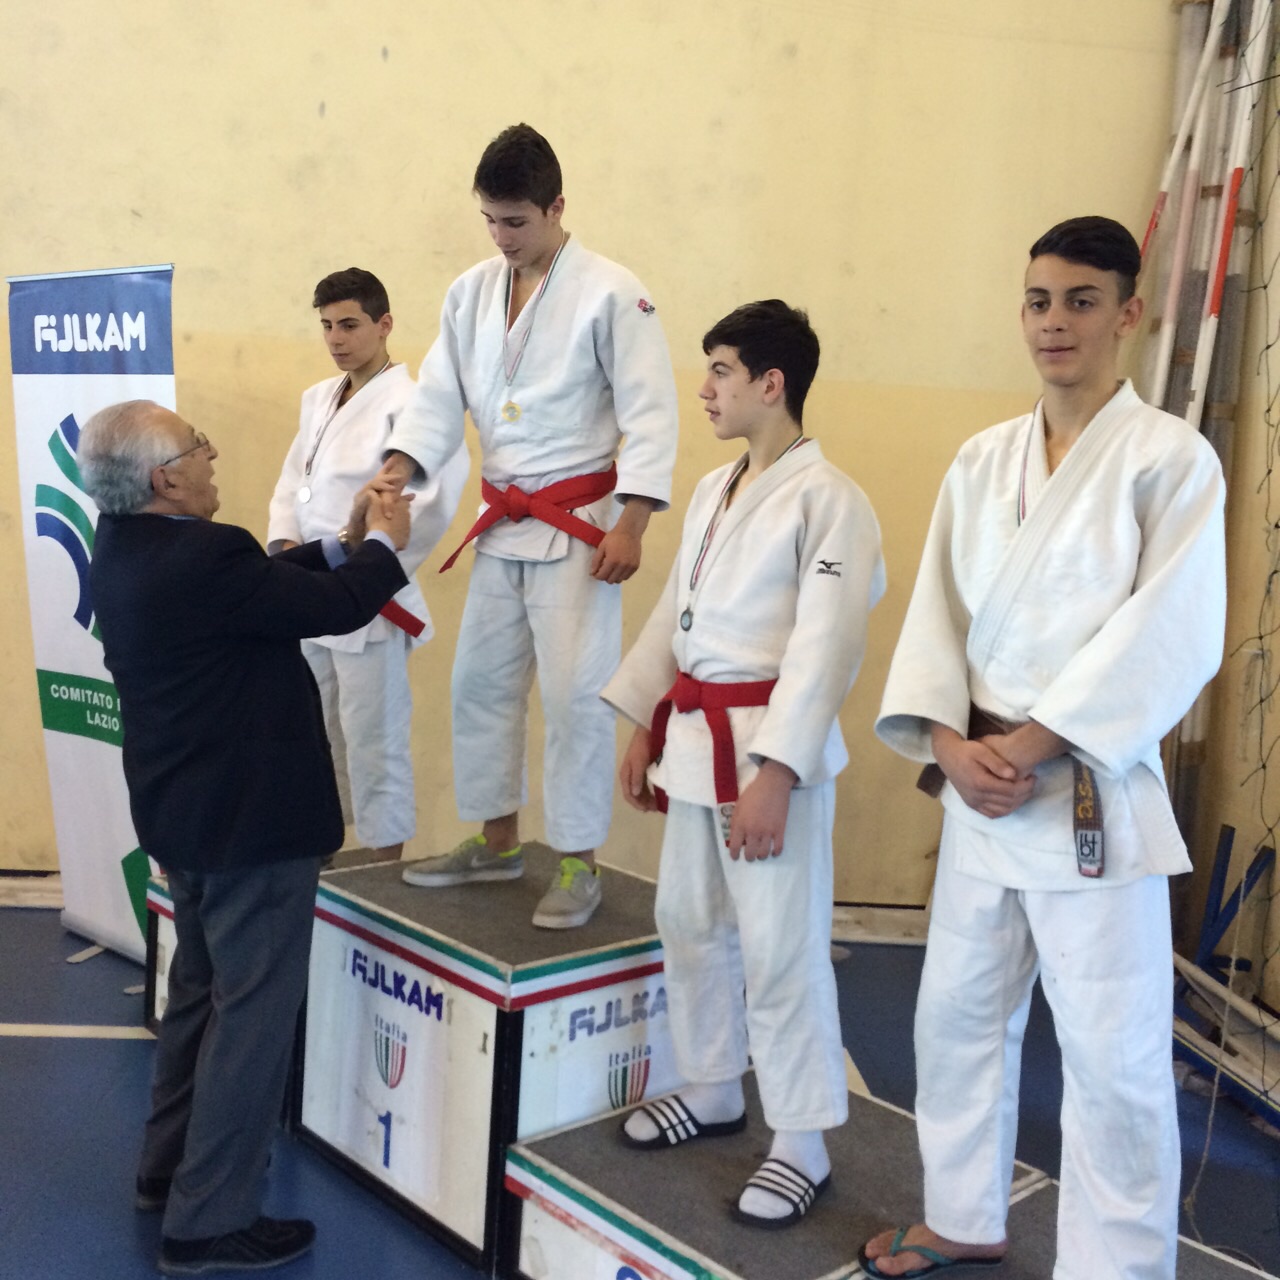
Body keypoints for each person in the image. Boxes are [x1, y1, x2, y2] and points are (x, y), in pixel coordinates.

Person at [862, 217, 1226, 1278]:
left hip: (1081, 793)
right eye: (1037, 300)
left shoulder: (1170, 460)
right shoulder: (982, 459)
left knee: (1112, 1056)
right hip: (978, 790)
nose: (1052, 321)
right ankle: (961, 1212)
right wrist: (945, 738)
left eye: (1078, 300)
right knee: (955, 1020)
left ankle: (1117, 1266)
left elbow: (1168, 632)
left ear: (1128, 313)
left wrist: (1028, 742)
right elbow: (936, 615)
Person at [80, 399, 412, 1276]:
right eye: (197, 445)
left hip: (185, 818)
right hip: (253, 826)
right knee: (253, 1021)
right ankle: (210, 1220)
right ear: (166, 478)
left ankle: (164, 1173)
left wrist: (342, 541)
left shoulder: (125, 544)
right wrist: (384, 547)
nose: (212, 452)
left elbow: (265, 585)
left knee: (197, 997)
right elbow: (336, 607)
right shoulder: (206, 555)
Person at [602, 301, 885, 1227]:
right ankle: (715, 1085)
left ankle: (801, 1140)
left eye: (720, 371)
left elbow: (827, 648)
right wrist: (645, 719)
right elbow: (674, 617)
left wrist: (777, 772)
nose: (704, 389)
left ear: (772, 383)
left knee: (779, 946)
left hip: (766, 753)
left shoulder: (830, 500)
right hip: (694, 737)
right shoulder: (712, 490)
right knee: (687, 920)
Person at [379, 123, 678, 929]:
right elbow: (438, 396)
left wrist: (634, 523)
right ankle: (498, 841)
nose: (502, 237)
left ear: (556, 207)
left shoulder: (613, 293)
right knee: (479, 685)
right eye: (490, 220)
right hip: (503, 520)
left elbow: (653, 413)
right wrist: (400, 465)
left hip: (581, 529)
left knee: (578, 699)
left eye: (516, 221)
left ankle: (578, 859)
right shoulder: (469, 292)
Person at [267, 267, 467, 862]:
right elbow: (293, 482)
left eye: (349, 325)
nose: (336, 339)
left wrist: (363, 559)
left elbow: (423, 503)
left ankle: (384, 864)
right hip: (307, 589)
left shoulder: (414, 406)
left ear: (384, 325)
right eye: (327, 326)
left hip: (368, 596)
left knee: (374, 738)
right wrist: (283, 545)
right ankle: (320, 852)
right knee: (313, 733)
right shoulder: (318, 398)